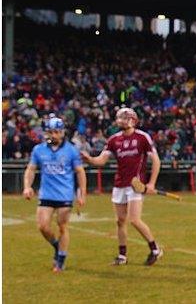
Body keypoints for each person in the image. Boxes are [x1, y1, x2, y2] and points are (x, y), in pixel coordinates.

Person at [81, 107, 163, 266]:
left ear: (133, 120)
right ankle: (122, 256)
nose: (121, 121)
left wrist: (151, 183)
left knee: (134, 220)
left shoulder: (142, 137)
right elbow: (102, 160)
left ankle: (155, 249)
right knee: (120, 221)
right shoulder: (114, 140)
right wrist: (89, 159)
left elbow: (156, 161)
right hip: (119, 184)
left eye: (125, 118)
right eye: (120, 118)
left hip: (135, 185)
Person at [22, 117, 87, 272]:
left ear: (62, 132)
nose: (54, 135)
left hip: (65, 195)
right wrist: (27, 186)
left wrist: (82, 193)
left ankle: (61, 259)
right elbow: (31, 169)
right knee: (43, 226)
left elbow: (80, 171)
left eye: (57, 132)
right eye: (51, 132)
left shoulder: (71, 150)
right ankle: (57, 246)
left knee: (62, 226)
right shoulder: (38, 150)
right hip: (46, 194)